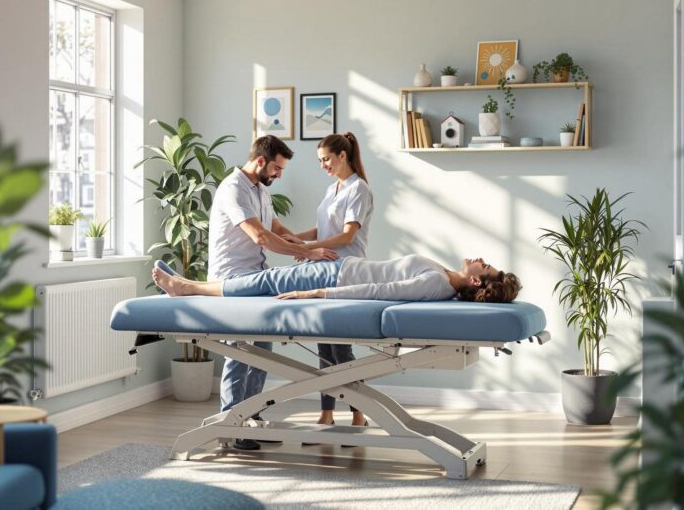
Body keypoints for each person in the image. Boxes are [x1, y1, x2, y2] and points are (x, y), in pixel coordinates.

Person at [207, 135, 338, 451]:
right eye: (278, 168)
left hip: (255, 278)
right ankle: (231, 423)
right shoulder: (232, 189)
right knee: (240, 352)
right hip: (232, 280)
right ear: (262, 161)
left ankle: (251, 416)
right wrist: (308, 254)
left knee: (262, 350)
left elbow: (276, 229)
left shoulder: (260, 191)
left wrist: (301, 245)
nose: (280, 175)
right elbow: (260, 236)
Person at [281, 133, 373, 434]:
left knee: (341, 350)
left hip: (345, 271)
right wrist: (298, 239)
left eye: (326, 160)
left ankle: (359, 413)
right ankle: (326, 412)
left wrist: (308, 249)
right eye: (320, 161)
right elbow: (323, 227)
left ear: (342, 156)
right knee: (324, 347)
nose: (323, 165)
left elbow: (347, 236)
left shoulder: (358, 188)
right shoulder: (332, 188)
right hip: (322, 269)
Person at [152, 255, 522, 304]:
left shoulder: (436, 284)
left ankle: (187, 288)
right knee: (267, 279)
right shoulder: (444, 279)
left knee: (267, 280)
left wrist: (313, 292)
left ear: (476, 283)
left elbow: (379, 290)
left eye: (484, 267)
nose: (480, 260)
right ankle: (189, 286)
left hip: (336, 274)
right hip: (340, 265)